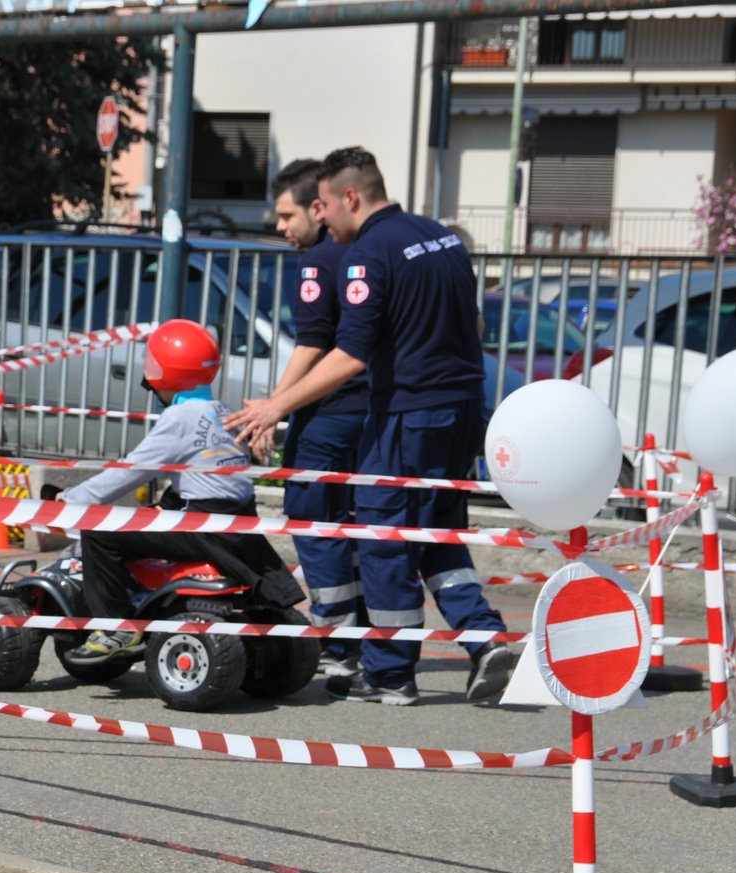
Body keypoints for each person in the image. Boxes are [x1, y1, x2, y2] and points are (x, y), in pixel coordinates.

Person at [247, 146, 514, 705]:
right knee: (436, 533)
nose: (321, 217)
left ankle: (389, 674)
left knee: (383, 538)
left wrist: (277, 406)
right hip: (465, 408)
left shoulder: (369, 252)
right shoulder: (440, 237)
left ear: (350, 197)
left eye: (322, 205)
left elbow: (348, 355)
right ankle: (486, 640)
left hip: (409, 415)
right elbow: (477, 320)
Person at [57, 320, 307, 664]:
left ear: (160, 370)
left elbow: (131, 471)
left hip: (203, 526)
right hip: (237, 525)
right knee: (149, 517)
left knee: (100, 530)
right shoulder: (221, 411)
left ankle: (117, 626)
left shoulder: (180, 417)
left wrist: (72, 501)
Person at [227, 158, 368, 678]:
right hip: (373, 414)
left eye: (287, 216)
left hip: (331, 412)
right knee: (357, 529)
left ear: (318, 206)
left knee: (314, 522)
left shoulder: (320, 261)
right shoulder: (372, 250)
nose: (281, 228)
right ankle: (365, 635)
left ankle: (334, 638)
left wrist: (272, 409)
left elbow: (312, 344)